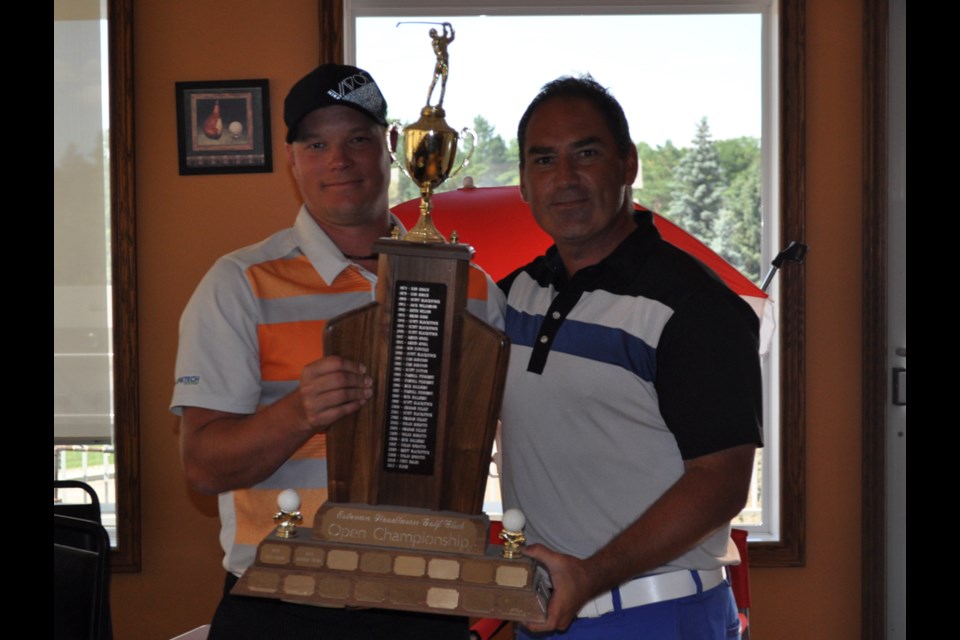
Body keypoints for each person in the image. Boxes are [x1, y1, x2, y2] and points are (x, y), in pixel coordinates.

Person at [171, 63, 502, 640]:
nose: (338, 161)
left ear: (391, 147)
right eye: (317, 143)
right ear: (293, 159)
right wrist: (299, 412)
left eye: (357, 139)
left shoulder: (471, 286)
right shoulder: (238, 283)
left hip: (424, 604)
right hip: (281, 605)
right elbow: (202, 465)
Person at [498, 76, 763, 639]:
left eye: (585, 154)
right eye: (543, 160)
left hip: (658, 616)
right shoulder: (512, 295)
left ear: (627, 165)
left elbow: (721, 482)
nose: (564, 178)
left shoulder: (695, 306)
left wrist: (590, 576)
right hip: (545, 612)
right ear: (523, 182)